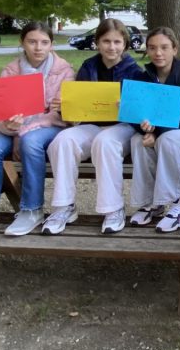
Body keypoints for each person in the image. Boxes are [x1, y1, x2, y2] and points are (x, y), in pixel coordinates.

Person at [0, 22, 75, 236]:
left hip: (50, 126)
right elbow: (0, 112)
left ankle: (32, 209)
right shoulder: (11, 70)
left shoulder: (64, 70)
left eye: (44, 42)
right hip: (15, 129)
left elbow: (63, 114)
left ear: (51, 45)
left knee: (31, 141)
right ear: (22, 43)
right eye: (32, 42)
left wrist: (58, 110)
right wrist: (8, 125)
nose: (38, 47)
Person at [44, 19, 141, 235]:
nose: (112, 47)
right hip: (92, 124)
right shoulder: (89, 66)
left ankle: (113, 208)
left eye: (117, 42)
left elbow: (142, 112)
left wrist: (129, 107)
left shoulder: (135, 71)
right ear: (97, 42)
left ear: (125, 44)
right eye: (106, 41)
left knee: (105, 143)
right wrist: (64, 107)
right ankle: (64, 206)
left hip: (123, 127)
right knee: (62, 141)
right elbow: (77, 109)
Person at [126, 27, 180, 232]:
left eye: (164, 47)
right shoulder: (144, 77)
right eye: (152, 48)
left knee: (168, 140)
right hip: (161, 130)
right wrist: (145, 129)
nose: (158, 53)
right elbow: (135, 112)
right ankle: (151, 203)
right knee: (137, 141)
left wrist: (157, 132)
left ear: (174, 49)